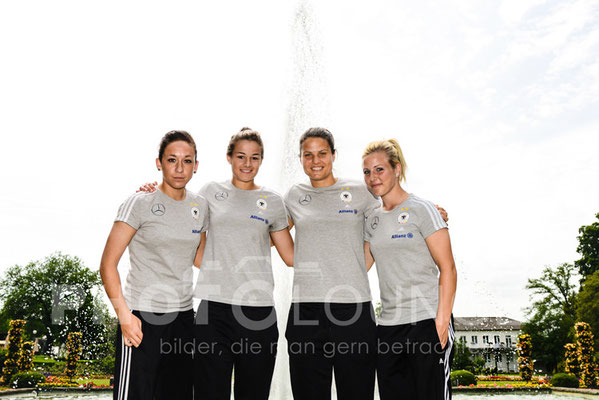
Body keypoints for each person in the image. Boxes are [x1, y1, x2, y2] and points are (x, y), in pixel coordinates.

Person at [139, 127, 294, 400]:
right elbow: (185, 223)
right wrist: (151, 191)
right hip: (213, 313)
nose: (247, 164)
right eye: (241, 156)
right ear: (229, 157)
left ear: (261, 160)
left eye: (255, 157)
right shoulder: (209, 193)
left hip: (258, 314)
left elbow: (291, 256)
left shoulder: (273, 202)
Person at [100, 130, 209, 400]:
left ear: (196, 166)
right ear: (159, 163)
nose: (179, 168)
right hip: (142, 319)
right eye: (172, 160)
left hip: (183, 320)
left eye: (187, 161)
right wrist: (125, 317)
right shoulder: (139, 203)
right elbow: (107, 265)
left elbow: (201, 258)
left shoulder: (201, 206)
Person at [284, 127, 380, 400]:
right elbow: (265, 230)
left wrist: (430, 210)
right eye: (308, 155)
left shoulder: (360, 191)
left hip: (354, 308)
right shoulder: (293, 195)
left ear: (334, 155)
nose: (315, 161)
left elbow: (385, 225)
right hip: (306, 312)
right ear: (300, 158)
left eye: (322, 153)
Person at [362, 139, 457, 400]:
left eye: (380, 169)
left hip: (426, 321)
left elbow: (448, 268)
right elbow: (361, 265)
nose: (373, 177)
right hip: (388, 327)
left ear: (397, 169)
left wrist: (441, 321)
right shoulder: (372, 219)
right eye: (367, 172)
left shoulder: (422, 209)